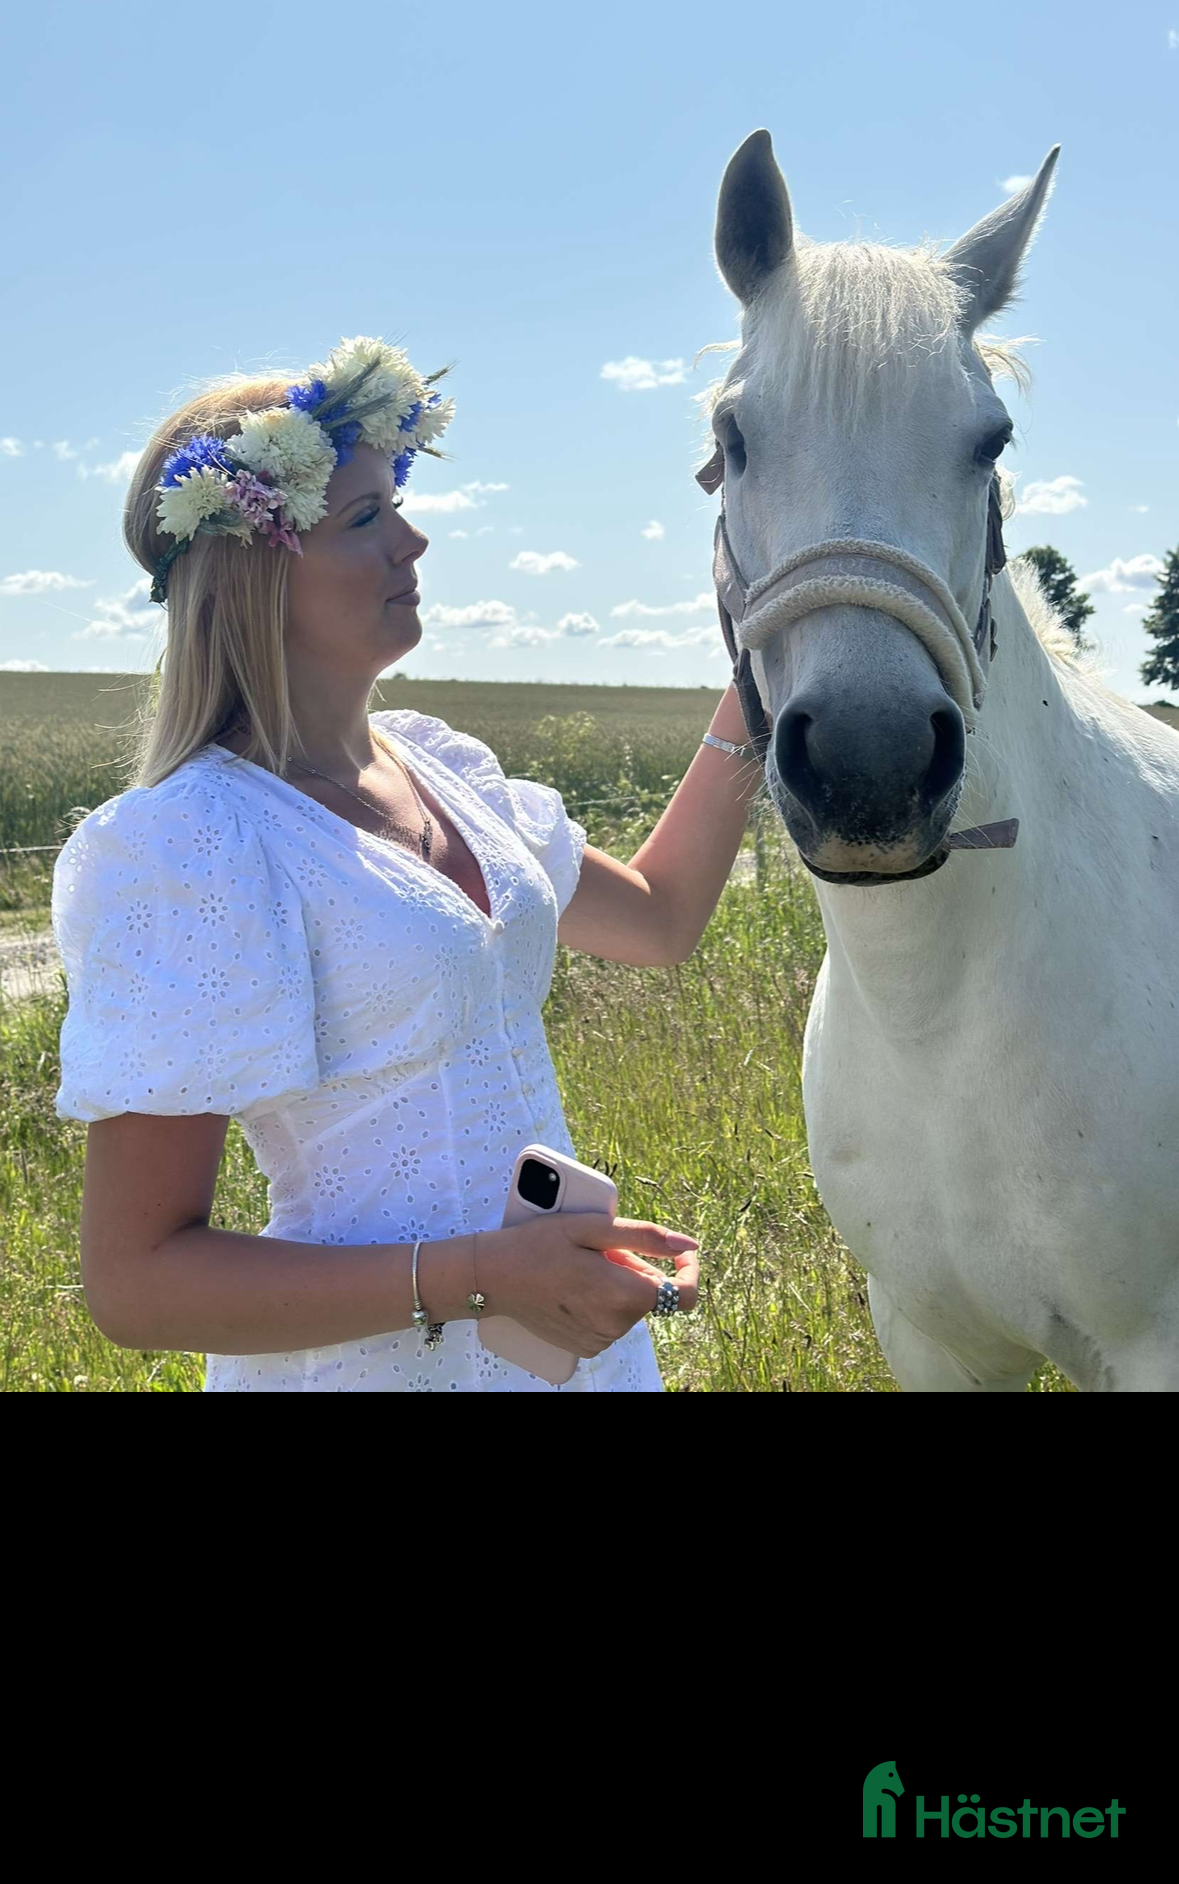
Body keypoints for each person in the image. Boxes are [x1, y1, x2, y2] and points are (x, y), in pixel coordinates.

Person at [54, 337, 761, 1392]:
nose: (413, 539)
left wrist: (763, 670)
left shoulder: (443, 769)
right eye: (365, 518)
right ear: (253, 568)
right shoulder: (196, 842)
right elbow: (137, 1284)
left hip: (558, 1345)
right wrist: (482, 1277)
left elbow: (658, 918)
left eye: (397, 505)